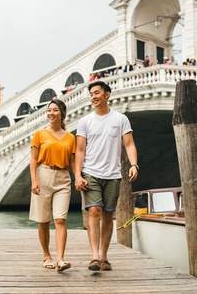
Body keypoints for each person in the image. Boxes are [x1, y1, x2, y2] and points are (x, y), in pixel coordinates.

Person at [74, 81, 138, 271]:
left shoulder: (120, 119)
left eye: (97, 93)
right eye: (91, 94)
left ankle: (104, 256)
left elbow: (129, 144)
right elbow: (79, 150)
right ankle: (94, 256)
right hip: (91, 172)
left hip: (113, 174)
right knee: (94, 211)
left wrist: (134, 164)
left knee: (108, 214)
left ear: (107, 94)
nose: (93, 97)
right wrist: (78, 175)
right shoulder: (85, 121)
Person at [29, 98, 75, 272]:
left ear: (62, 114)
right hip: (43, 174)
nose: (51, 113)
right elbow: (33, 160)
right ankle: (46, 255)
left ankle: (60, 259)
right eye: (49, 110)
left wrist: (79, 177)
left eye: (55, 110)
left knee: (61, 219)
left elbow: (73, 162)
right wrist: (34, 180)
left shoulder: (71, 138)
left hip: (63, 178)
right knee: (44, 220)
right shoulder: (39, 134)